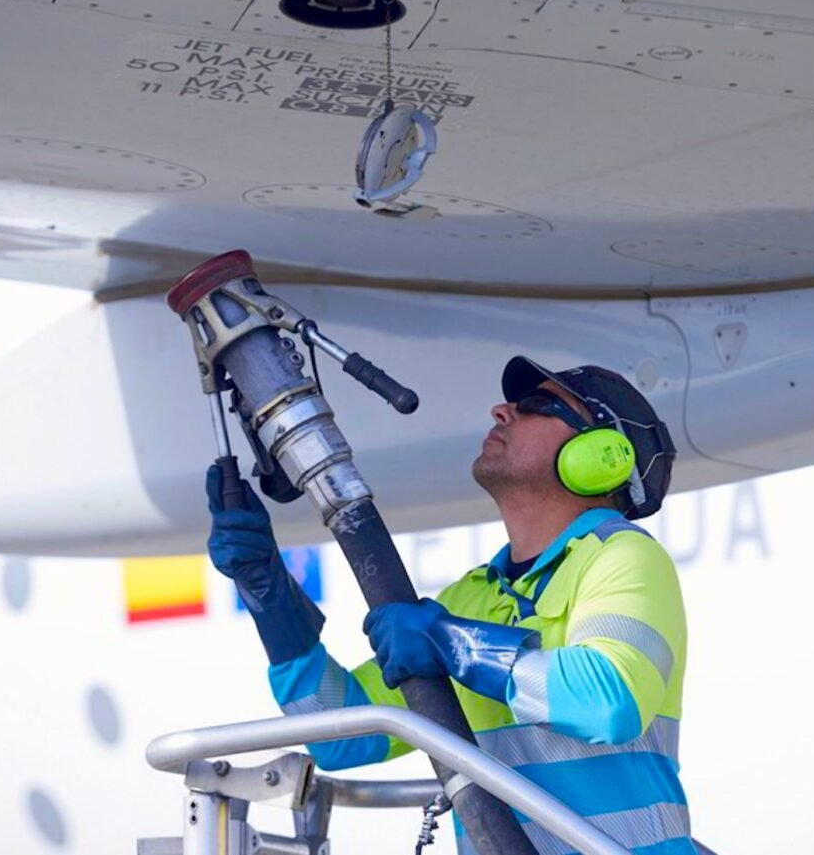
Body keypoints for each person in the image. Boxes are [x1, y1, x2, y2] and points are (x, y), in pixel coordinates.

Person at [207, 356, 688, 855]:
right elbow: (341, 736)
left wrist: (453, 643)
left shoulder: (624, 555)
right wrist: (269, 594)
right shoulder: (473, 597)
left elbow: (608, 700)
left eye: (536, 406)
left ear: (602, 454)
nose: (501, 412)